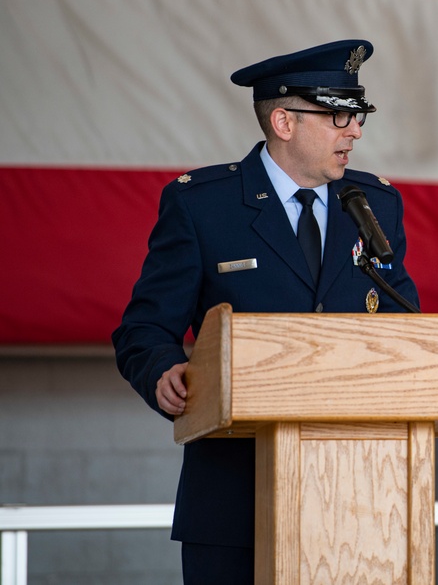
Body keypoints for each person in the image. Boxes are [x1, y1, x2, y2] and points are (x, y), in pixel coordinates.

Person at [112, 39, 420, 583]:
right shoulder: (203, 204)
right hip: (234, 500)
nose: (355, 130)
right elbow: (144, 327)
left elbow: (403, 325)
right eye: (339, 115)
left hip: (363, 496)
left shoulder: (374, 205)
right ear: (284, 120)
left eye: (358, 116)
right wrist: (163, 370)